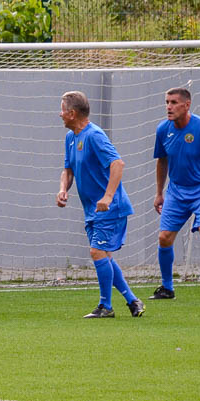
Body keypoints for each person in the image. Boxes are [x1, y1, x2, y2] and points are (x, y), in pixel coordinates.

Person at [56, 91, 145, 319]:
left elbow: (117, 163)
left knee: (97, 252)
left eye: (62, 109)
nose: (60, 114)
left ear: (72, 113)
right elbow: (68, 169)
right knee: (103, 255)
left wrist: (107, 197)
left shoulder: (94, 135)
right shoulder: (71, 138)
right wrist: (63, 189)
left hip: (110, 207)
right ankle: (133, 301)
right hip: (92, 210)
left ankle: (105, 306)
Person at [150, 88, 200, 301]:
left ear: (187, 105)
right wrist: (159, 193)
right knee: (164, 238)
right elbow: (162, 161)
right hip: (176, 192)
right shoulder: (162, 130)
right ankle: (167, 288)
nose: (169, 106)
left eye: (174, 102)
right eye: (167, 102)